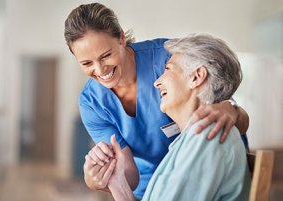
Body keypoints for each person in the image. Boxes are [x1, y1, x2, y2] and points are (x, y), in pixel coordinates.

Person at [64, 3, 249, 199]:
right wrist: (106, 178)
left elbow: (219, 94)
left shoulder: (169, 57)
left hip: (202, 167)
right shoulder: (92, 101)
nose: (100, 70)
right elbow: (126, 171)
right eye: (86, 63)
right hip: (156, 185)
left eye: (106, 55)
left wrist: (232, 108)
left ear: (121, 39)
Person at [108, 34, 251, 201]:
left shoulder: (208, 136)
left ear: (196, 77)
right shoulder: (191, 139)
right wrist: (118, 184)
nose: (157, 82)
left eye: (168, 69)